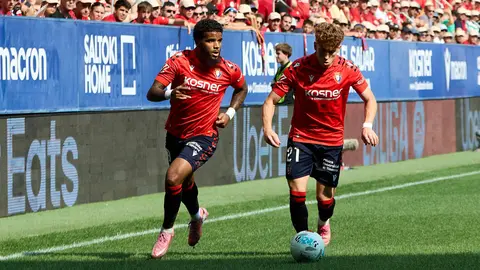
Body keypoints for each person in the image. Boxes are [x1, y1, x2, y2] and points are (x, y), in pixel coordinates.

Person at [261, 22, 379, 246]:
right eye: (322, 50)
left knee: (324, 199)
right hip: (301, 139)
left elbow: (370, 99)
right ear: (314, 45)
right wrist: (267, 128)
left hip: (331, 142)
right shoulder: (297, 68)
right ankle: (304, 239)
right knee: (297, 193)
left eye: (331, 51)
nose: (326, 56)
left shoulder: (348, 69)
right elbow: (270, 101)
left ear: (339, 48)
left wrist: (367, 125)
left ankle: (323, 222)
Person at [146, 19, 248, 259]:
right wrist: (170, 93)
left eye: (219, 41)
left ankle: (166, 231)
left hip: (205, 135)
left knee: (173, 177)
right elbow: (152, 93)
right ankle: (197, 216)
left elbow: (242, 88)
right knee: (185, 180)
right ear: (197, 41)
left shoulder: (228, 69)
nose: (216, 46)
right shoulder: (179, 62)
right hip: (175, 134)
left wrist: (230, 113)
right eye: (210, 40)